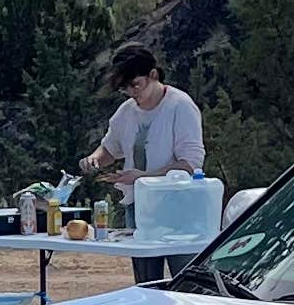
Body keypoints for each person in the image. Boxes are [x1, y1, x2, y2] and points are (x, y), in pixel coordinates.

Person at [78, 42, 205, 283]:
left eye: (136, 84)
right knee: (146, 281)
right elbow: (110, 148)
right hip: (139, 207)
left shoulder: (181, 106)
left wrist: (145, 176)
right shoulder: (126, 112)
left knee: (186, 278)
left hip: (179, 209)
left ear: (153, 75)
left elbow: (191, 164)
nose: (132, 93)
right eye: (125, 88)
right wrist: (95, 159)